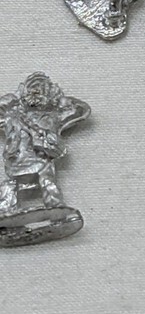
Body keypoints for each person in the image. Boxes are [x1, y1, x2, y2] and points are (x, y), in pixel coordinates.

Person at [0, 73, 90, 215]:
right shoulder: (12, 115)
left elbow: (81, 110)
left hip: (42, 158)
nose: (36, 91)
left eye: (41, 88)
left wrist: (62, 101)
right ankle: (6, 210)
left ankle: (55, 208)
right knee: (9, 185)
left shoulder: (54, 115)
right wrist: (9, 102)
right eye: (32, 88)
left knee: (47, 181)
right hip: (17, 158)